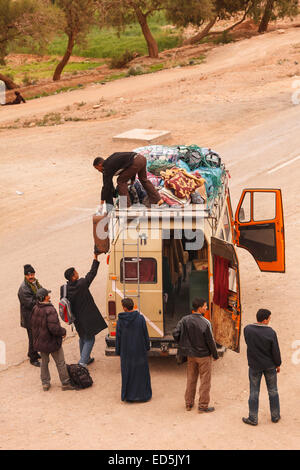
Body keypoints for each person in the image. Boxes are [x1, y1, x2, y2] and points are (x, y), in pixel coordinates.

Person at [173, 297, 219, 412]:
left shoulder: (184, 319)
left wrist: (183, 344)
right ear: (200, 308)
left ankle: (189, 403)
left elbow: (176, 333)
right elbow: (210, 341)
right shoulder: (206, 322)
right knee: (205, 381)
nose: (206, 308)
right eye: (205, 306)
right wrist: (215, 355)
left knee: (191, 379)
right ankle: (203, 406)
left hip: (190, 355)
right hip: (203, 356)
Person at [61, 255, 107, 367]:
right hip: (87, 318)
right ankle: (82, 364)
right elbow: (92, 273)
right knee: (90, 339)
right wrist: (95, 258)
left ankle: (86, 358)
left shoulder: (64, 289)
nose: (78, 273)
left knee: (82, 337)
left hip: (76, 319)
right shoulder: (81, 284)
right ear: (73, 277)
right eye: (76, 272)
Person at [31, 288, 76, 391]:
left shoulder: (35, 308)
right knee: (60, 362)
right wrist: (63, 332)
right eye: (47, 295)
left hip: (41, 342)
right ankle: (65, 383)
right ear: (44, 297)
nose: (49, 296)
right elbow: (54, 328)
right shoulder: (49, 310)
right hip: (52, 342)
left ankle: (45, 383)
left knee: (44, 363)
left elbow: (33, 325)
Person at [243, 309, 281, 426]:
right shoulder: (271, 332)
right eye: (269, 318)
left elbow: (248, 342)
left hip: (254, 366)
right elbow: (275, 351)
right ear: (265, 320)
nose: (270, 320)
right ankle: (275, 416)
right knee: (273, 391)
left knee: (254, 392)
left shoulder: (247, 329)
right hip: (269, 366)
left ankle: (253, 418)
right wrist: (278, 364)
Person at [93, 152, 164, 209]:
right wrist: (132, 180)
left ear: (100, 164)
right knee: (144, 180)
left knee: (120, 181)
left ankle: (127, 207)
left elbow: (106, 186)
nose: (98, 171)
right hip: (141, 158)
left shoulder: (107, 167)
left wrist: (102, 201)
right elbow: (128, 165)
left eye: (97, 168)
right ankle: (158, 199)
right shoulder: (110, 162)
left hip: (135, 162)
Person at [115, 298, 152, 403]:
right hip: (139, 349)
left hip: (126, 351)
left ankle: (129, 396)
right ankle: (143, 395)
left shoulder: (120, 321)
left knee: (128, 373)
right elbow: (145, 334)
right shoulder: (140, 319)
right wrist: (147, 347)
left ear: (125, 308)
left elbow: (118, 337)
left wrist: (118, 351)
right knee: (141, 373)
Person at [17, 264, 42, 366]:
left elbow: (40, 291)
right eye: (29, 275)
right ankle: (33, 358)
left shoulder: (35, 282)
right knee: (33, 337)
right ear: (25, 276)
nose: (31, 276)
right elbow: (30, 303)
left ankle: (33, 352)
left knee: (36, 336)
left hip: (34, 315)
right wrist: (41, 298)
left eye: (32, 274)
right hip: (29, 317)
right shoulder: (23, 289)